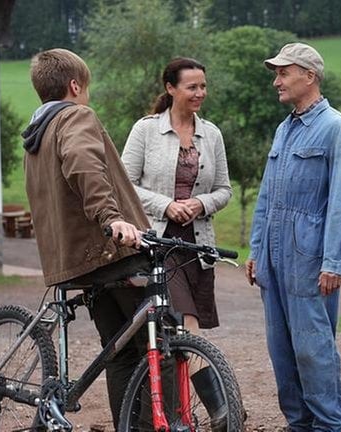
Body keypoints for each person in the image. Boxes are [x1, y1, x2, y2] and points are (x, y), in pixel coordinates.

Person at [21, 48, 150, 429]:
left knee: (119, 351)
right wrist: (112, 218)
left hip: (76, 260)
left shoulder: (36, 134)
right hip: (112, 249)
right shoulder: (75, 115)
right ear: (75, 85)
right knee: (160, 345)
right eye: (86, 87)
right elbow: (83, 163)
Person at [245, 42, 341, 432]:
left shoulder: (335, 128)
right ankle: (299, 425)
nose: (276, 81)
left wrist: (333, 262)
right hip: (275, 261)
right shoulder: (284, 129)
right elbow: (267, 197)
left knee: (314, 351)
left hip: (310, 262)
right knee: (282, 352)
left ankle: (331, 426)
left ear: (309, 76)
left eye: (283, 73)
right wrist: (257, 250)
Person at [122, 57, 232, 334]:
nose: (200, 93)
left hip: (197, 246)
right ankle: (213, 378)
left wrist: (201, 203)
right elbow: (123, 185)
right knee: (186, 323)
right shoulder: (146, 130)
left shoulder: (212, 134)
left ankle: (176, 378)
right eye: (192, 87)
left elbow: (224, 190)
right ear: (170, 88)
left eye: (203, 86)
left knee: (176, 333)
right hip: (157, 243)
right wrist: (166, 205)